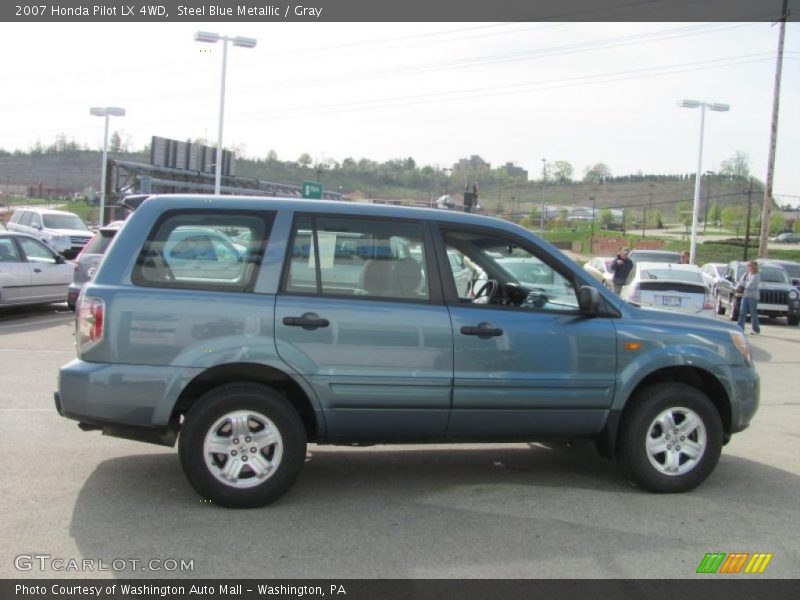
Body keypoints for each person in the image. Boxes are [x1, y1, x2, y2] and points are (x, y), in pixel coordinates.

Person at [737, 261, 761, 335]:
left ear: (754, 267)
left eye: (750, 266)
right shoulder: (746, 274)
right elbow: (740, 282)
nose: (749, 267)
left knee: (753, 313)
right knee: (742, 312)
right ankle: (740, 328)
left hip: (753, 297)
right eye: (748, 266)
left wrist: (744, 284)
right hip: (745, 296)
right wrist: (743, 283)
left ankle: (756, 329)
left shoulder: (756, 276)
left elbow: (751, 286)